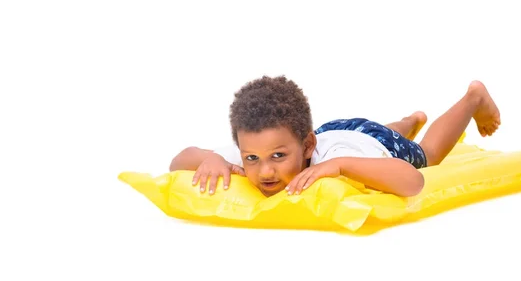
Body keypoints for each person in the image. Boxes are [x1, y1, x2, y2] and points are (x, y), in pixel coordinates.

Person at [169, 75, 500, 198]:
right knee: (381, 134)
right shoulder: (261, 147)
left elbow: (412, 182)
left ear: (306, 146)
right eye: (251, 158)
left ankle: (473, 98)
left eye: (278, 157)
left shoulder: (331, 155)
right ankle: (409, 119)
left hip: (359, 142)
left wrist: (340, 166)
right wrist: (212, 159)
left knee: (425, 154)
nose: (264, 171)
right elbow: (178, 161)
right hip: (339, 130)